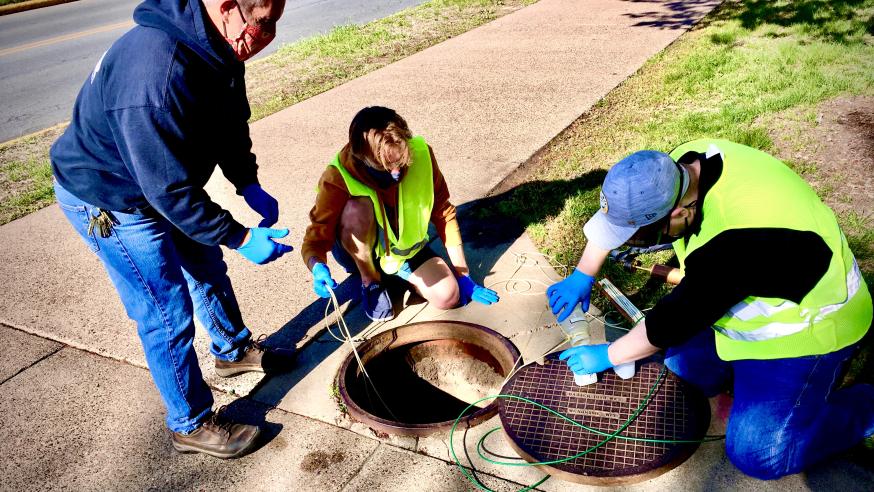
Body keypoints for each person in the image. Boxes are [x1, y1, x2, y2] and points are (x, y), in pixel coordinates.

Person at [50, 0, 295, 459]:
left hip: (160, 180)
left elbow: (229, 124)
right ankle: (190, 422)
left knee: (205, 262)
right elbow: (169, 191)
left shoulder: (220, 46)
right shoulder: (155, 73)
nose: (266, 39)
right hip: (110, 196)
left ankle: (232, 350)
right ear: (226, 7)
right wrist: (242, 237)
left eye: (275, 25)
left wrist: (247, 181)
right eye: (262, 25)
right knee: (165, 310)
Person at [546, 139, 873, 478]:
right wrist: (583, 274)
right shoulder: (673, 169)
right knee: (681, 372)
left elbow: (673, 321)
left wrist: (609, 355)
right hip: (741, 298)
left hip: (807, 329)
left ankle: (865, 407)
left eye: (641, 235)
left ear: (678, 213)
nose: (635, 243)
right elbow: (625, 213)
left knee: (759, 454)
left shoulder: (738, 238)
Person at [301, 106, 499, 320]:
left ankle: (398, 276)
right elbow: (315, 239)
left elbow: (443, 213)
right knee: (356, 209)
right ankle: (371, 281)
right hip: (356, 251)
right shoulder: (337, 176)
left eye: (401, 162)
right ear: (361, 158)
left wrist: (463, 275)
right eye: (384, 166)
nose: (396, 172)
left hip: (403, 252)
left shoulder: (422, 154)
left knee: (448, 296)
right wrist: (317, 266)